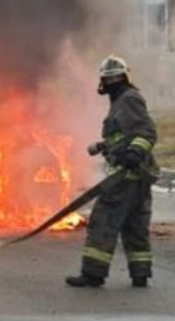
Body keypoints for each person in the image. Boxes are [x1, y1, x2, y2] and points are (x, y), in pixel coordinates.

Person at [67, 56, 159, 289]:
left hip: (126, 176)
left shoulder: (128, 100)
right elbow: (124, 135)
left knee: (102, 222)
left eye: (110, 79)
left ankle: (93, 274)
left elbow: (146, 132)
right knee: (134, 225)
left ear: (119, 79)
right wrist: (102, 146)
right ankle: (140, 275)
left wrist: (133, 154)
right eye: (107, 79)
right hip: (136, 177)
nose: (108, 84)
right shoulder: (123, 99)